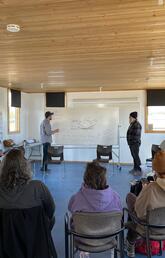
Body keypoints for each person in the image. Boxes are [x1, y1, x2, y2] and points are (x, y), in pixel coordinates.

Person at [0, 148, 56, 257]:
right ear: (25, 166)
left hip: (6, 244)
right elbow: (50, 210)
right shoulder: (38, 187)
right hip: (35, 242)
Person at [126, 150, 165, 257]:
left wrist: (144, 191)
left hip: (149, 228)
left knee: (130, 197)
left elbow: (139, 211)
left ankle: (130, 244)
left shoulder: (151, 188)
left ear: (155, 170)